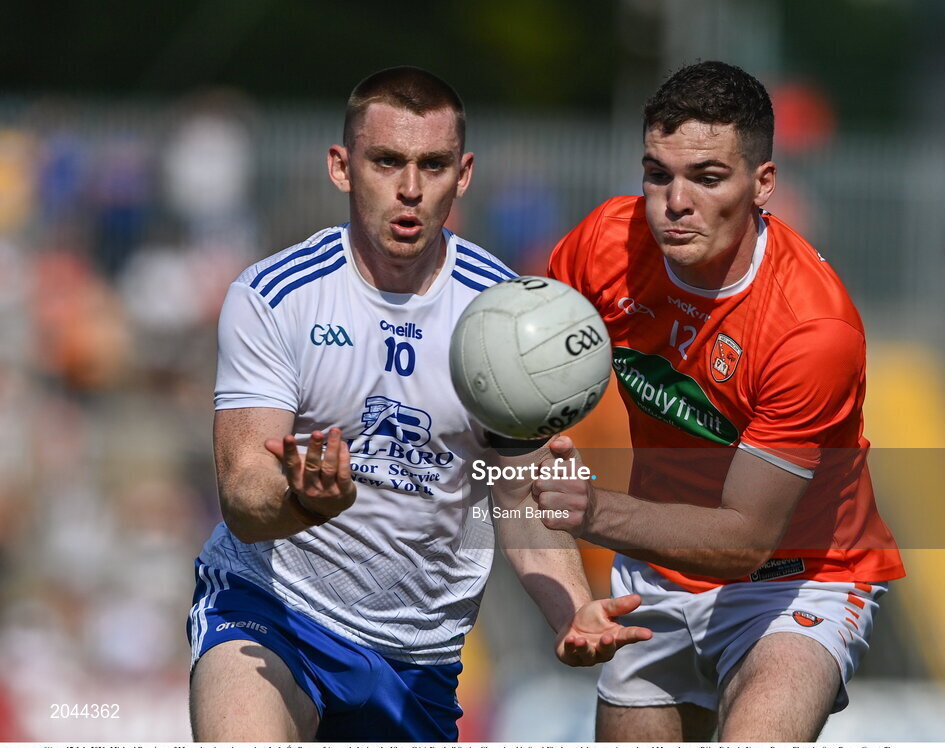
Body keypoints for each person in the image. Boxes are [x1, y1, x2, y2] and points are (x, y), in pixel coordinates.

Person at [186, 66, 650, 742]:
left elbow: (518, 500)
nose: (409, 189)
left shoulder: (504, 317)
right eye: (386, 162)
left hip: (417, 656)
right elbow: (244, 497)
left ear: (461, 176)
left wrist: (574, 609)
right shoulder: (273, 296)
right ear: (342, 167)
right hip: (273, 613)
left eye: (432, 165)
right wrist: (305, 499)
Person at [532, 61, 906, 741]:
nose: (675, 202)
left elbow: (743, 541)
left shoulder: (812, 329)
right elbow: (519, 388)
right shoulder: (603, 246)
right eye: (657, 174)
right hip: (654, 572)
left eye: (707, 178)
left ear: (763, 184)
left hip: (793, 580)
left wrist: (591, 511)